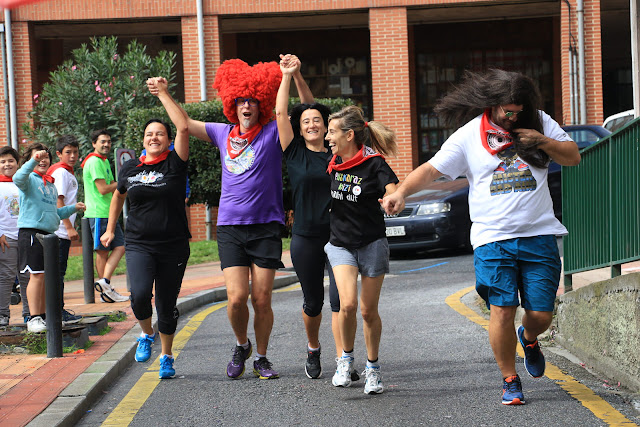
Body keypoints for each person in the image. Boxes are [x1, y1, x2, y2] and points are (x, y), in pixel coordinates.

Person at [380, 69, 581, 405]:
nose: (513, 117)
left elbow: (573, 156)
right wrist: (401, 192)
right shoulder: (469, 135)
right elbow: (432, 169)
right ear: (492, 104)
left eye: (519, 110)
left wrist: (541, 140)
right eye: (507, 111)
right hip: (492, 239)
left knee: (542, 315)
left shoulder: (541, 122)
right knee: (502, 309)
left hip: (539, 234)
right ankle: (510, 379)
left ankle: (529, 338)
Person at [148, 59, 284, 380]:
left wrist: (290, 77)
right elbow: (183, 124)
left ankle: (262, 357)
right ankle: (242, 344)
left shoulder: (274, 131)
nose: (247, 105)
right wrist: (164, 94)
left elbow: (290, 112)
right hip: (230, 228)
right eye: (241, 100)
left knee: (261, 299)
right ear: (232, 105)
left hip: (265, 227)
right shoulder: (222, 134)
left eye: (252, 100)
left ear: (260, 104)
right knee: (237, 298)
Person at [101, 77, 190, 380]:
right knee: (139, 295)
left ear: (167, 139)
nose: (154, 137)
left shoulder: (175, 163)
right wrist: (111, 229)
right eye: (149, 134)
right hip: (139, 243)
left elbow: (184, 127)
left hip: (173, 245)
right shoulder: (130, 168)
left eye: (160, 133)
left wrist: (163, 94)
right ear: (143, 140)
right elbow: (117, 196)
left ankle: (166, 355)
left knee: (166, 304)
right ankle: (145, 334)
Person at [275, 54, 353, 380]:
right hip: (305, 236)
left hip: (339, 235)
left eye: (317, 121)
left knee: (341, 300)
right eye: (305, 121)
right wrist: (286, 75)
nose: (311, 124)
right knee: (313, 303)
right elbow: (282, 112)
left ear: (327, 126)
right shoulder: (292, 150)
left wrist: (299, 76)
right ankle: (313, 346)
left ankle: (343, 360)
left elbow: (313, 105)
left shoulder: (339, 153)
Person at [324, 106, 398, 395]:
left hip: (372, 243)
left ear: (349, 134)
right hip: (341, 244)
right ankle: (345, 359)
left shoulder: (374, 163)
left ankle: (373, 369)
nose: (328, 136)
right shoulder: (331, 161)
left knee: (367, 311)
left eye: (332, 131)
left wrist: (392, 200)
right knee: (348, 305)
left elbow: (393, 191)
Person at [14, 142, 85, 333]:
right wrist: (32, 161)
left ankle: (44, 317)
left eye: (45, 157)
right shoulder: (28, 179)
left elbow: (55, 213)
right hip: (31, 232)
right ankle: (33, 317)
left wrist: (73, 208)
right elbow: (17, 177)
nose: (42, 160)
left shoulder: (50, 185)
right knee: (35, 275)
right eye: (38, 157)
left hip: (49, 235)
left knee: (45, 277)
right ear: (29, 159)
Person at [82, 129, 128, 303]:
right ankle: (105, 291)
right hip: (98, 213)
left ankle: (105, 284)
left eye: (108, 141)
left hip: (108, 213)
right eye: (102, 141)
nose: (106, 144)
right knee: (102, 252)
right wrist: (122, 183)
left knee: (121, 246)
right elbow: (102, 188)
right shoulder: (94, 161)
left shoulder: (103, 161)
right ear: (94, 143)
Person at [47, 135, 83, 324]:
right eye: (68, 152)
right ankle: (57, 313)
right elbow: (59, 200)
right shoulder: (61, 172)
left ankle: (56, 311)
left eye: (75, 152)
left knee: (58, 272)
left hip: (62, 230)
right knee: (57, 273)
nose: (72, 156)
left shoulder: (67, 172)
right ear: (59, 153)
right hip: (60, 230)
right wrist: (69, 227)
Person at [0, 146, 30, 326]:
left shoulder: (23, 183)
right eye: (2, 161)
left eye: (10, 161)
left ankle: (29, 313)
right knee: (6, 276)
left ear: (18, 163)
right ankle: (3, 314)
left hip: (25, 235)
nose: (7, 164)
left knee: (27, 276)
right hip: (6, 239)